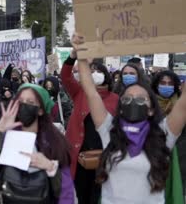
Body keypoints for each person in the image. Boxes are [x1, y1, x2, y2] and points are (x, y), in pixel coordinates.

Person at [73, 33, 186, 203]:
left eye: (141, 99)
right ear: (121, 108)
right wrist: (82, 58)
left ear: (150, 109)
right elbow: (90, 91)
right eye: (127, 99)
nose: (133, 102)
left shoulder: (163, 133)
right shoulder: (109, 130)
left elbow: (183, 104)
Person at [0, 83, 74, 203]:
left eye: (30, 102)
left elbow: (64, 190)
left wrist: (49, 167)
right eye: (20, 101)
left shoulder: (53, 142)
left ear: (40, 110)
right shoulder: (7, 137)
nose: (24, 105)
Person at [61, 50, 119, 204]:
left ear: (106, 76)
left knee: (100, 196)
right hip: (81, 156)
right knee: (83, 196)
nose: (95, 74)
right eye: (91, 71)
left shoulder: (116, 99)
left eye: (99, 71)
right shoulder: (80, 93)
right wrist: (73, 56)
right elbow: (66, 76)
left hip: (106, 157)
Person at [151, 70, 186, 192]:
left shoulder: (182, 104)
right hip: (155, 157)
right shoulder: (148, 105)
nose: (166, 86)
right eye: (163, 83)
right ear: (156, 85)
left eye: (170, 83)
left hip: (179, 157)